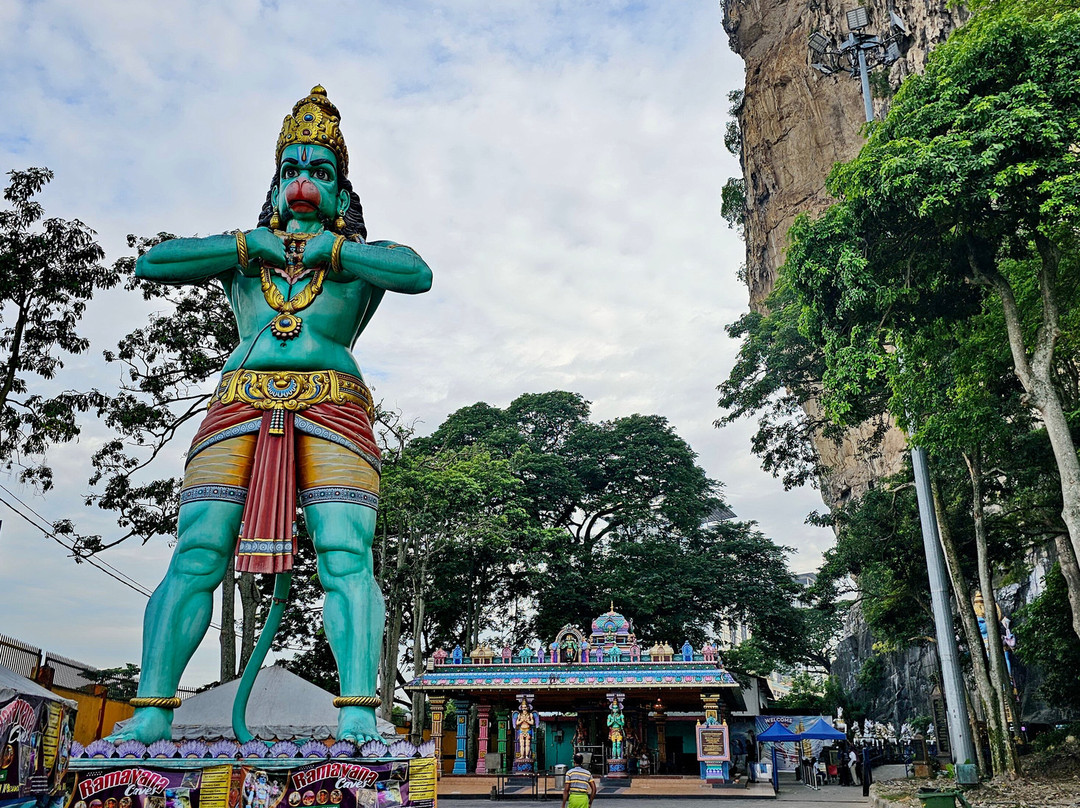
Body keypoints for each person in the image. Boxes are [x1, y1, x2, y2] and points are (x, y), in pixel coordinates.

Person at [107, 85, 432, 744]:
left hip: (333, 405)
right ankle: (149, 713)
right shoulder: (246, 257)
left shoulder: (356, 264)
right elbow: (152, 262)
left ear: (342, 195)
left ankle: (358, 715)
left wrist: (332, 253)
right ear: (275, 186)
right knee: (197, 552)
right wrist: (244, 245)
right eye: (291, 171)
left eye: (320, 172)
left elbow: (418, 272)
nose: (303, 184)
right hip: (238, 404)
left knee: (346, 557)